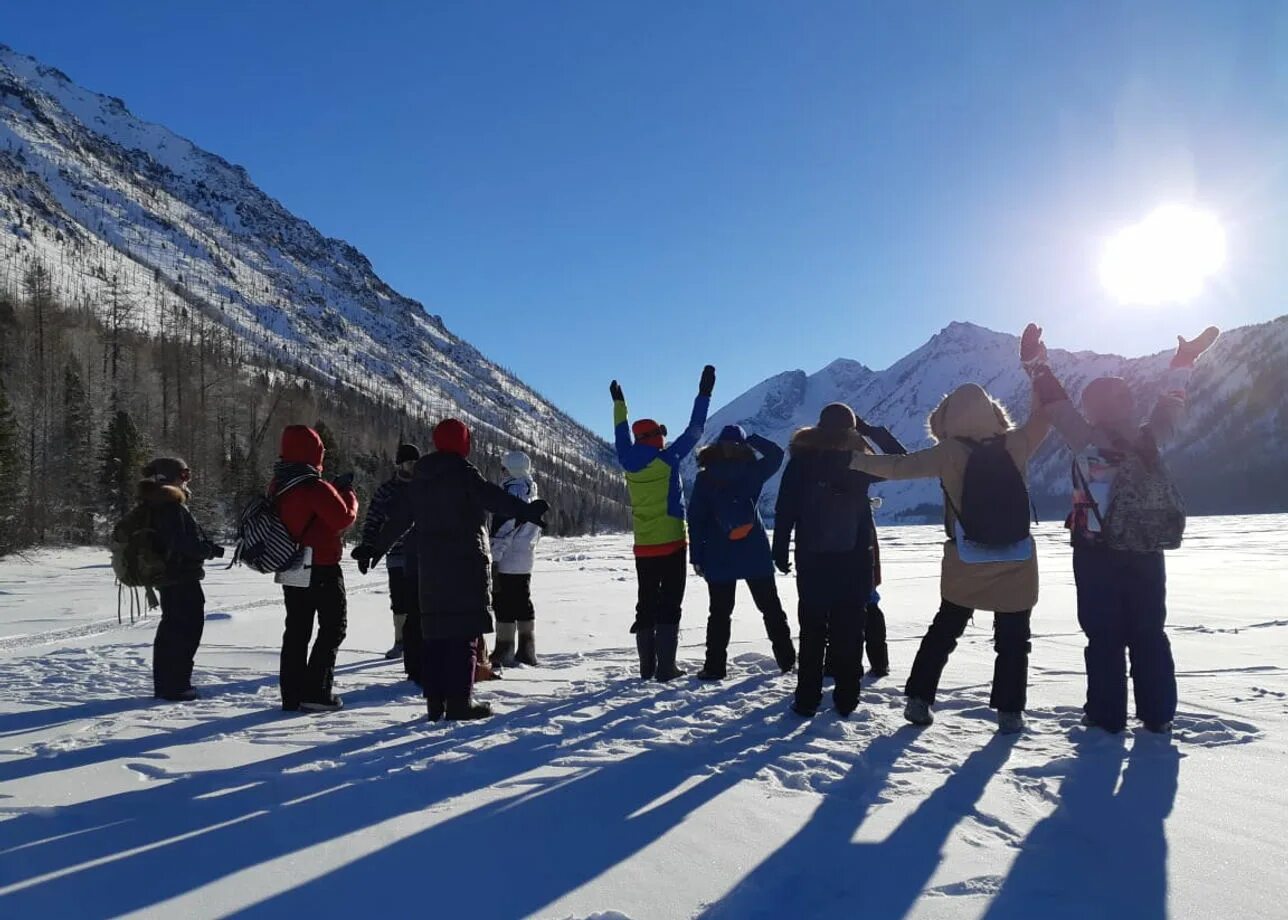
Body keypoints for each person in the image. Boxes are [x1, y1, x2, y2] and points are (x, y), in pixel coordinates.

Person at [1021, 323, 1219, 734]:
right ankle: (1159, 714)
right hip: (1148, 548)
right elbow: (1173, 401)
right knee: (1150, 632)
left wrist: (1035, 363)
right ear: (1128, 405)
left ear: (1093, 408)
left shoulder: (1088, 438)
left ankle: (1107, 715)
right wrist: (1183, 362)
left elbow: (1055, 404)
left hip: (1097, 550)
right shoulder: (1151, 437)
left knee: (1104, 636)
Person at [847, 375, 1050, 734]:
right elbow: (1044, 417)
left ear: (947, 418)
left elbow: (897, 468)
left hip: (966, 558)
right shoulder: (1016, 443)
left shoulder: (949, 452)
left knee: (945, 628)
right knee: (1014, 638)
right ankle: (1009, 712)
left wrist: (850, 459)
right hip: (1017, 559)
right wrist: (1038, 371)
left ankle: (919, 699)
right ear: (993, 413)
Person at [373, 419, 549, 721]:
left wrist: (374, 547)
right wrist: (526, 510)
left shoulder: (421, 479)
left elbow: (401, 517)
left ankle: (435, 703)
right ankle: (459, 703)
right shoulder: (463, 473)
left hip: (430, 568)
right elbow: (493, 498)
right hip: (465, 566)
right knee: (463, 635)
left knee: (436, 635)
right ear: (463, 443)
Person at [772, 404, 905, 718]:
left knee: (813, 630)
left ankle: (807, 700)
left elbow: (785, 509)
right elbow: (901, 461)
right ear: (850, 430)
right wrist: (872, 431)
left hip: (812, 558)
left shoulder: (801, 461)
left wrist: (779, 549)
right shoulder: (857, 462)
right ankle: (846, 699)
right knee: (850, 630)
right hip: (855, 559)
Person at [611, 365, 715, 681]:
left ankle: (646, 668)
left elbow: (620, 430)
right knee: (670, 602)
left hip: (644, 544)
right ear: (657, 437)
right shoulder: (668, 459)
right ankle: (666, 667)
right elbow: (696, 429)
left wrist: (619, 404)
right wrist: (704, 393)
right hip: (672, 540)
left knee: (646, 601)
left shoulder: (626, 458)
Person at [687, 425, 795, 680]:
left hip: (718, 551)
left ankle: (714, 667)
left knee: (720, 613)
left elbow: (696, 519)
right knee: (770, 607)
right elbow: (777, 454)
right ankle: (787, 660)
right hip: (753, 549)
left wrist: (697, 557)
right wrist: (752, 438)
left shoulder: (706, 477)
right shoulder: (753, 471)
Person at [271, 425, 359, 713]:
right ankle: (317, 690)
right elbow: (342, 518)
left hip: (291, 562)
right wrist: (347, 493)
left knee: (296, 628)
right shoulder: (313, 485)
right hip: (321, 564)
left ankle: (292, 693)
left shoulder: (278, 484)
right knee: (334, 626)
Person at [141, 457, 224, 702]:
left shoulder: (156, 503)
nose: (188, 480)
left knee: (172, 630)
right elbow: (181, 543)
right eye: (184, 475)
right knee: (184, 631)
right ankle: (176, 686)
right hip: (180, 578)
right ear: (170, 478)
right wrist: (207, 550)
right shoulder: (169, 505)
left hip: (171, 577)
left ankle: (168, 684)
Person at [352, 443, 421, 668]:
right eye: (408, 463)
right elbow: (373, 520)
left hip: (423, 554)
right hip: (396, 554)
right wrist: (367, 548)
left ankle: (419, 643)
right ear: (399, 464)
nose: (412, 467)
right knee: (399, 601)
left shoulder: (426, 488)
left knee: (420, 601)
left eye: (415, 463)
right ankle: (400, 641)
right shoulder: (387, 491)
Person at [489, 450, 543, 668]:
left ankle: (504, 649)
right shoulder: (532, 492)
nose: (501, 472)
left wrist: (494, 558)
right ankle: (527, 649)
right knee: (523, 601)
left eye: (503, 468)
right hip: (525, 558)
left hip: (508, 559)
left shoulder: (510, 495)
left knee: (503, 603)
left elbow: (503, 529)